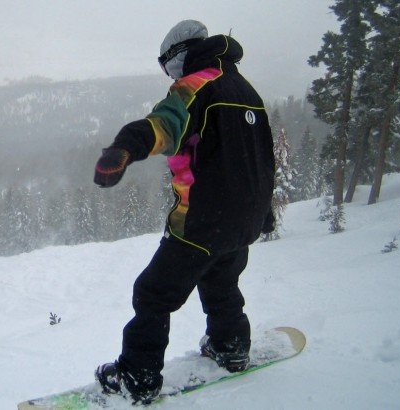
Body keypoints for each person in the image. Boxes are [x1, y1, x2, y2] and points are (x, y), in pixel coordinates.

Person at [93, 20, 275, 403]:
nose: (168, 75)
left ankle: (137, 378)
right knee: (222, 283)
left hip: (203, 221)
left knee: (153, 294)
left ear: (179, 56)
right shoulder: (247, 90)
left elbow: (165, 124)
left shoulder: (195, 85)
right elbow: (262, 157)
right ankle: (231, 347)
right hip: (243, 221)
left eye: (166, 65)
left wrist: (125, 147)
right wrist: (264, 212)